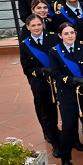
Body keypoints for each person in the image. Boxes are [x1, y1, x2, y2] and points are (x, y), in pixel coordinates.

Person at [49, 23, 83, 165]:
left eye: (72, 32)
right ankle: (66, 158)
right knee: (69, 126)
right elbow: (56, 74)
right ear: (60, 36)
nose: (70, 36)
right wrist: (74, 80)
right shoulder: (54, 52)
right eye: (66, 33)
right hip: (68, 93)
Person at [19, 14, 61, 151]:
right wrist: (42, 70)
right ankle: (55, 143)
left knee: (67, 112)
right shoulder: (25, 45)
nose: (37, 28)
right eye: (33, 25)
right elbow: (27, 69)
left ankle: (72, 139)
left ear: (43, 25)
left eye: (39, 24)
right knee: (49, 115)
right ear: (28, 27)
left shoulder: (54, 38)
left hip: (59, 81)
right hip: (41, 84)